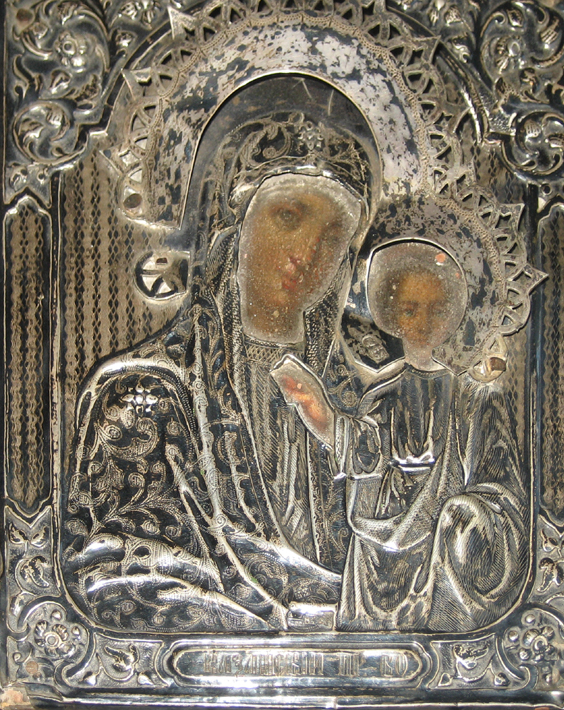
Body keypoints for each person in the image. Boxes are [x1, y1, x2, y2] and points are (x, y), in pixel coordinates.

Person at [61, 77, 379, 633]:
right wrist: (270, 618)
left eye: (333, 234)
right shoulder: (145, 393)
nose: (308, 252)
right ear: (236, 224)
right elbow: (104, 576)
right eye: (288, 217)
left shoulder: (361, 403)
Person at [275, 240, 528, 632]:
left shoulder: (467, 394)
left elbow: (497, 478)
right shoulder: (383, 393)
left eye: (436, 309)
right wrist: (316, 408)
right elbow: (363, 451)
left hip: (439, 535)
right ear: (393, 316)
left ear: (452, 315)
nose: (424, 321)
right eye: (410, 309)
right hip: (379, 538)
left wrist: (462, 516)